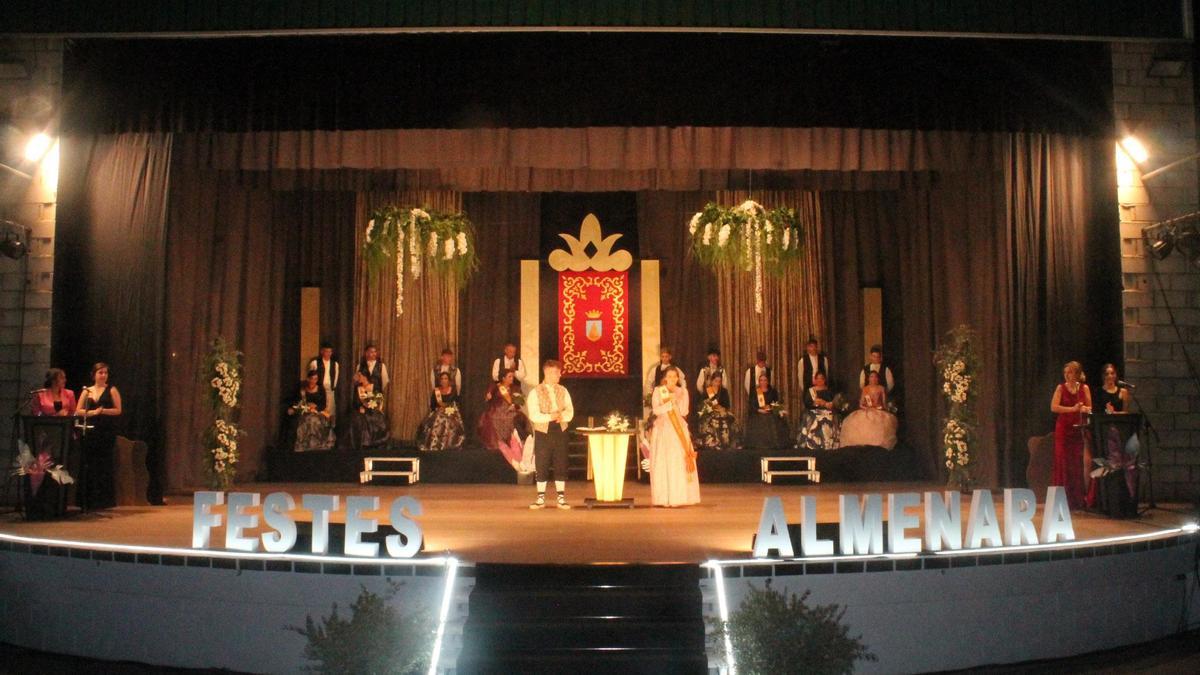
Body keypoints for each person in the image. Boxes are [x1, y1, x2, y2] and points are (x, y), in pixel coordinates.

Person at [648, 366, 701, 507]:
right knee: (664, 461)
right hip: (663, 428)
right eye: (669, 376)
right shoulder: (659, 391)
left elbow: (684, 411)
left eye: (674, 376)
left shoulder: (683, 391)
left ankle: (681, 496)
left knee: (679, 460)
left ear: (678, 378)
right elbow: (656, 410)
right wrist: (668, 405)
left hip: (678, 428)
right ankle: (664, 497)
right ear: (665, 377)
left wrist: (679, 399)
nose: (672, 379)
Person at [526, 360, 574, 510]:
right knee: (542, 462)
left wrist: (562, 417)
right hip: (543, 430)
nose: (559, 375)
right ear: (548, 373)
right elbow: (533, 414)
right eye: (556, 372)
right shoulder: (535, 392)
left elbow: (570, 410)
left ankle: (561, 497)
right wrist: (550, 417)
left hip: (560, 429)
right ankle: (540, 498)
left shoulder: (563, 390)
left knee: (561, 461)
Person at [75, 362, 122, 510]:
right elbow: (78, 410)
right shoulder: (86, 391)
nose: (103, 375)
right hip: (89, 431)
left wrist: (103, 411)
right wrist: (92, 413)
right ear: (94, 374)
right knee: (89, 464)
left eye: (105, 373)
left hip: (105, 431)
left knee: (103, 465)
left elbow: (118, 410)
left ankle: (103, 500)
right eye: (100, 372)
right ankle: (87, 500)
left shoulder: (112, 389)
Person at [1050, 360, 1091, 510]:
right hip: (1064, 429)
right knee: (1063, 462)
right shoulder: (1060, 388)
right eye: (1065, 373)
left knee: (1076, 464)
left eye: (1070, 372)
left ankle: (1077, 499)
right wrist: (1072, 409)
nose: (1067, 375)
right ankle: (1063, 499)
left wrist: (1083, 409)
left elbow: (1089, 407)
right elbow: (1053, 407)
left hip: (1078, 429)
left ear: (1077, 374)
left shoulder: (1084, 388)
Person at [478, 369, 531, 470]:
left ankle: (514, 441)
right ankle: (499, 442)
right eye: (509, 377)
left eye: (512, 377)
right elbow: (487, 398)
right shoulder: (495, 387)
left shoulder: (516, 388)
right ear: (503, 378)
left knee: (515, 417)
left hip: (510, 410)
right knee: (493, 417)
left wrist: (515, 405)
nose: (512, 379)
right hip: (497, 409)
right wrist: (488, 397)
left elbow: (520, 403)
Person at [838, 370, 898, 449]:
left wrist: (881, 408)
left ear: (878, 379)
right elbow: (861, 403)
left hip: (878, 410)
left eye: (875, 377)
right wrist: (867, 408)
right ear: (868, 379)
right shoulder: (865, 389)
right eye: (871, 377)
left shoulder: (881, 388)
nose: (873, 379)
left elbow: (884, 403)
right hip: (867, 410)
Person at [289, 370, 335, 452]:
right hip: (305, 412)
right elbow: (298, 403)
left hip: (318, 413)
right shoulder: (302, 390)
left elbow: (323, 405)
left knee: (314, 421)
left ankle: (316, 445)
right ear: (308, 379)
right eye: (312, 379)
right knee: (305, 421)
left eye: (315, 379)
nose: (313, 381)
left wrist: (315, 407)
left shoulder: (320, 390)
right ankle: (304, 445)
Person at [418, 371, 465, 452]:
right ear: (440, 381)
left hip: (451, 412)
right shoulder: (436, 391)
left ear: (449, 380)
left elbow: (455, 404)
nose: (444, 380)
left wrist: (447, 410)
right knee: (438, 419)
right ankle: (435, 444)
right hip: (438, 412)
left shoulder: (453, 391)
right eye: (442, 379)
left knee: (447, 420)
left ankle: (449, 444)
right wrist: (438, 409)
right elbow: (433, 405)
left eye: (446, 378)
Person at [743, 373, 789, 450]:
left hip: (770, 412)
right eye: (761, 380)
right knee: (762, 420)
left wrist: (772, 408)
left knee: (774, 419)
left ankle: (774, 443)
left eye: (765, 380)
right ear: (759, 382)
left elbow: (776, 403)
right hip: (758, 413)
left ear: (768, 382)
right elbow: (751, 405)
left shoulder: (773, 391)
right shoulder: (755, 392)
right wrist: (759, 410)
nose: (763, 382)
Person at [797, 371, 840, 451]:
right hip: (813, 411)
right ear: (815, 380)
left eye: (822, 378)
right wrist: (815, 403)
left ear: (824, 380)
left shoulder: (829, 391)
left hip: (827, 411)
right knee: (814, 418)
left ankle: (828, 442)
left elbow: (834, 402)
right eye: (818, 379)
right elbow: (807, 403)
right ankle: (813, 442)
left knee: (832, 417)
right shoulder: (811, 391)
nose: (820, 380)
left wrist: (829, 404)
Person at [695, 372, 737, 450]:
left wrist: (721, 408)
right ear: (712, 381)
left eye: (719, 381)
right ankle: (713, 442)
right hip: (710, 413)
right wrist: (710, 407)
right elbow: (703, 405)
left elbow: (727, 405)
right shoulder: (707, 391)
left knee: (731, 418)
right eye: (715, 381)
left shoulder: (724, 391)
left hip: (722, 412)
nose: (717, 383)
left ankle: (726, 442)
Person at [348, 371, 389, 451]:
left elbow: (378, 401)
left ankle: (375, 442)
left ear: (365, 377)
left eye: (360, 376)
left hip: (374, 410)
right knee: (359, 418)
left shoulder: (374, 387)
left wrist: (367, 407)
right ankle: (364, 443)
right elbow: (355, 403)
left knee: (375, 418)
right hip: (362, 412)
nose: (358, 378)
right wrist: (360, 407)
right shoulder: (358, 389)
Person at [307, 342, 340, 424]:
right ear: (322, 352)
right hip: (319, 389)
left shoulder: (335, 364)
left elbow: (336, 377)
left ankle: (330, 428)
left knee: (330, 410)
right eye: (326, 351)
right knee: (320, 410)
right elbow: (311, 375)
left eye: (330, 352)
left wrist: (332, 387)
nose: (328, 353)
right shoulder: (315, 363)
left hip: (329, 389)